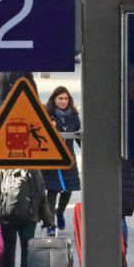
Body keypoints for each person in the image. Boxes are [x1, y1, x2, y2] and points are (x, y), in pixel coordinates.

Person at [42, 86, 81, 234]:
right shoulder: (47, 115)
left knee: (68, 191)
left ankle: (60, 212)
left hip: (69, 159)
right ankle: (50, 223)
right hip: (52, 159)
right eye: (60, 99)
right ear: (54, 100)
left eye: (66, 98)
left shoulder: (74, 116)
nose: (64, 101)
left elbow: (79, 138)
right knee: (52, 191)